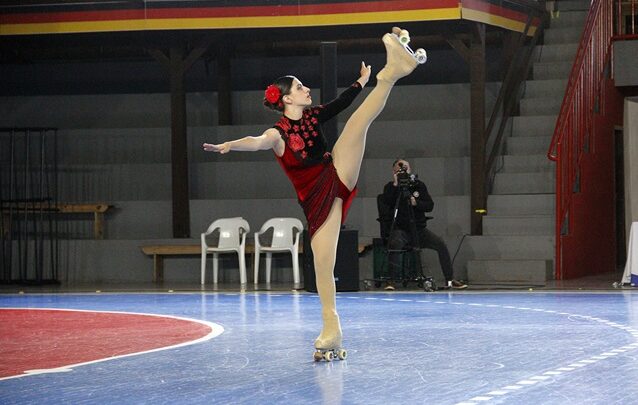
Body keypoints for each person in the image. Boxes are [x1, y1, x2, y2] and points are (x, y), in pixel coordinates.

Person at [203, 27, 421, 357]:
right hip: (315, 201)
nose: (307, 90)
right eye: (300, 87)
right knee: (323, 267)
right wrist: (230, 145)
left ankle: (391, 73)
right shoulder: (277, 133)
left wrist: (362, 82)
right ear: (287, 98)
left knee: (356, 124)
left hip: (335, 171)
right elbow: (257, 142)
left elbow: (342, 103)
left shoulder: (312, 114)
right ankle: (331, 329)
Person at [380, 159, 468, 290]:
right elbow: (386, 202)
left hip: (419, 229)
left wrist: (417, 203)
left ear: (410, 170)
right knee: (395, 245)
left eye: (406, 168)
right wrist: (396, 184)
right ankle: (391, 282)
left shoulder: (418, 185)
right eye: (399, 169)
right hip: (401, 230)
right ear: (393, 171)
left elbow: (429, 205)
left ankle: (449, 279)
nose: (403, 171)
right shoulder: (390, 187)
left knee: (441, 245)